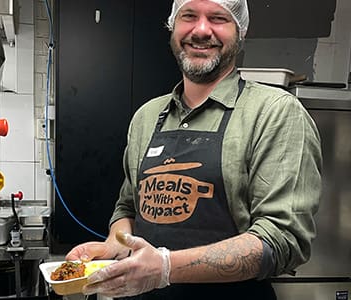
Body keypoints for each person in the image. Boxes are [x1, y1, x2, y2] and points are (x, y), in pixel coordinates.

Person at [66, 0, 322, 299]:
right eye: (189, 16)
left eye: (218, 18)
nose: (201, 30)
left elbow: (283, 239)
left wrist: (164, 268)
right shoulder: (147, 117)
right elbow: (128, 207)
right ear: (173, 26)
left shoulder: (274, 112)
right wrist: (116, 243)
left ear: (240, 31)